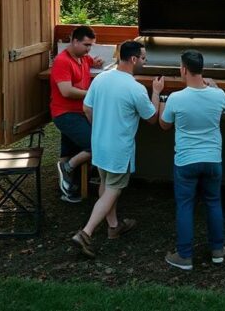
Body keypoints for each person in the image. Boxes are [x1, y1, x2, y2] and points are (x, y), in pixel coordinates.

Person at [71, 40, 163, 258]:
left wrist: (98, 127)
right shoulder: (136, 88)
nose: (144, 61)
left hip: (100, 143)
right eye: (143, 57)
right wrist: (157, 92)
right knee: (114, 188)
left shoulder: (101, 78)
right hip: (118, 149)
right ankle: (86, 232)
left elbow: (86, 107)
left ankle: (113, 227)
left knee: (105, 184)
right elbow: (151, 118)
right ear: (133, 59)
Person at [159, 49, 225, 270]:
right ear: (203, 69)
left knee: (185, 205)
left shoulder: (176, 98)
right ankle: (218, 250)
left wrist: (161, 98)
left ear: (183, 69)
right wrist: (218, 89)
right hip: (213, 160)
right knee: (213, 202)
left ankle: (184, 256)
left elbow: (164, 125)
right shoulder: (217, 94)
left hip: (186, 162)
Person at [50, 25, 104, 203]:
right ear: (74, 41)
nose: (89, 49)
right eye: (86, 45)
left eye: (91, 46)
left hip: (80, 111)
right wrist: (92, 94)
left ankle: (67, 189)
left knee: (69, 148)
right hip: (65, 114)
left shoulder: (83, 58)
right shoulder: (62, 61)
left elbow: (90, 62)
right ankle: (67, 167)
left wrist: (95, 62)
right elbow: (66, 91)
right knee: (96, 145)